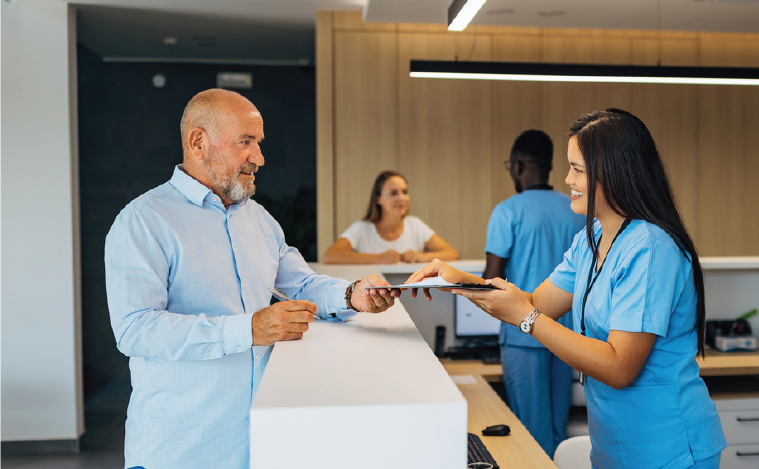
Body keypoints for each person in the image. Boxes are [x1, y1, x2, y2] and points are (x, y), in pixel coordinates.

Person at [405, 109, 727, 468]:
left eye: (577, 169)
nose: (566, 178)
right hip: (613, 448)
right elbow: (533, 301)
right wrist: (457, 281)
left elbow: (620, 367)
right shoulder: (589, 240)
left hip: (668, 449)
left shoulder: (651, 248)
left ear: (613, 173)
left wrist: (527, 318)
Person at [104, 89, 399, 469]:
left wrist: (351, 294)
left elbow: (301, 284)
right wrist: (249, 330)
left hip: (258, 446)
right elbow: (136, 330)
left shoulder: (258, 218)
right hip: (181, 451)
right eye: (246, 142)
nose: (259, 158)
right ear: (198, 142)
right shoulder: (143, 221)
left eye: (258, 144)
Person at [483, 129, 585, 457]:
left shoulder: (507, 211)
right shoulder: (574, 209)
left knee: (530, 433)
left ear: (518, 166)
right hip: (563, 337)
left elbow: (491, 282)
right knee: (557, 431)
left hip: (522, 336)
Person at [322, 170, 459, 264]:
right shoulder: (362, 228)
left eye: (404, 192)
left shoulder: (415, 225)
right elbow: (330, 256)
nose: (401, 198)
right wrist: (378, 258)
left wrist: (421, 256)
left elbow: (452, 253)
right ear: (378, 199)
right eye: (393, 193)